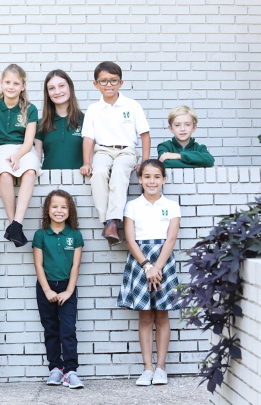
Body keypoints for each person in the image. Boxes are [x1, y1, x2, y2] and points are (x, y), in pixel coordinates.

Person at [117, 159, 182, 387]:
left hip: (164, 263)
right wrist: (146, 266)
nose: (151, 181)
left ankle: (161, 367)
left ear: (164, 179)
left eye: (156, 176)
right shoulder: (132, 206)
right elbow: (130, 239)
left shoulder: (172, 205)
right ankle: (147, 368)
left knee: (162, 315)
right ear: (140, 179)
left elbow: (171, 238)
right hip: (140, 263)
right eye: (147, 176)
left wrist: (158, 267)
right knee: (145, 316)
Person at [80, 61, 151, 246]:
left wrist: (144, 162)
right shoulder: (93, 109)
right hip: (102, 150)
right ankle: (109, 223)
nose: (109, 85)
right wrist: (87, 162)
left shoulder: (132, 105)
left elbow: (145, 135)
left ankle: (110, 223)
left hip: (126, 151)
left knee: (119, 172)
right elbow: (88, 138)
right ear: (96, 84)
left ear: (121, 82)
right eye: (103, 81)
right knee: (99, 173)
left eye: (113, 80)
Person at [0, 64, 40, 247]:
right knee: (5, 175)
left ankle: (16, 224)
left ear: (23, 86)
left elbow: (29, 141)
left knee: (30, 172)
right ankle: (14, 226)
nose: (11, 86)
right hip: (1, 149)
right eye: (7, 82)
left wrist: (17, 156)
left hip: (24, 149)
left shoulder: (30, 109)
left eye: (16, 83)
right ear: (1, 83)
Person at [33, 189, 84, 389]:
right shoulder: (40, 235)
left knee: (68, 330)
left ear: (70, 211)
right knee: (51, 330)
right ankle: (55, 368)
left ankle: (70, 371)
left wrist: (69, 291)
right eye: (54, 206)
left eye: (64, 207)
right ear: (48, 210)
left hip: (67, 288)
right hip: (46, 288)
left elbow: (75, 266)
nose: (59, 210)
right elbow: (38, 265)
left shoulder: (75, 235)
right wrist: (47, 290)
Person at [35, 70, 84, 170]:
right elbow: (36, 162)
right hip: (49, 182)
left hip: (80, 182)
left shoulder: (86, 121)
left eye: (61, 86)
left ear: (70, 87)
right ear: (48, 93)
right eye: (52, 88)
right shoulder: (40, 125)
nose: (57, 92)